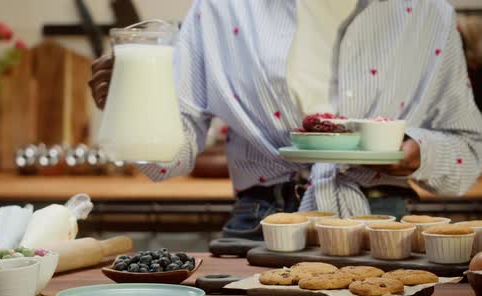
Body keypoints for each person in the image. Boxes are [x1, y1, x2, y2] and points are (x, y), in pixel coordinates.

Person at [90, 0, 482, 240]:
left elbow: (469, 147)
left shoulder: (429, 14)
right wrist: (131, 108)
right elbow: (173, 158)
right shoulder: (220, 9)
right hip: (261, 227)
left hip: (386, 230)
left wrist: (416, 155)